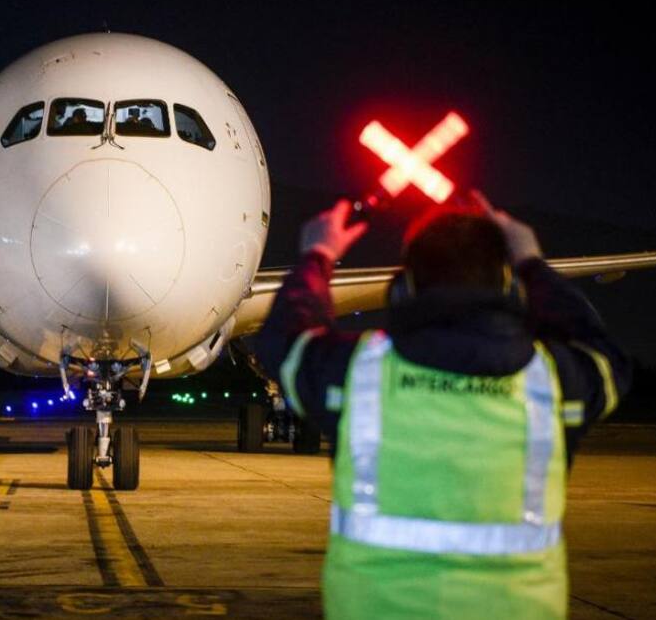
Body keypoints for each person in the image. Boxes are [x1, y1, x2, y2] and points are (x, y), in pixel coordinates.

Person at [256, 192, 630, 619]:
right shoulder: (551, 382)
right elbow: (606, 355)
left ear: (405, 286)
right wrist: (531, 262)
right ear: (508, 284)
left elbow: (282, 338)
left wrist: (317, 255)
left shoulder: (358, 373)